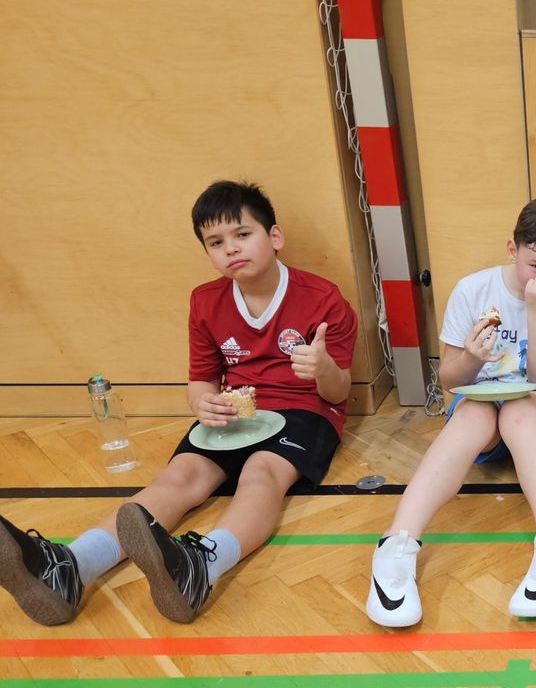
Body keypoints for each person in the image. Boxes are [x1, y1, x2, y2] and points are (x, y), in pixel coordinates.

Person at [0, 180, 357, 625]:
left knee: (260, 474)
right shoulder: (205, 302)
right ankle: (70, 566)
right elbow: (200, 382)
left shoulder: (323, 299)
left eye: (243, 234)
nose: (231, 248)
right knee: (179, 476)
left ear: (275, 236)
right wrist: (204, 403)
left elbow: (338, 392)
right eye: (216, 242)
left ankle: (202, 566)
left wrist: (322, 367)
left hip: (306, 411)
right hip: (234, 414)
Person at [366, 195, 536, 627]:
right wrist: (471, 357)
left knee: (518, 410)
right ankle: (396, 544)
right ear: (512, 249)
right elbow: (451, 381)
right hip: (480, 410)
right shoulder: (473, 290)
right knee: (475, 412)